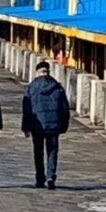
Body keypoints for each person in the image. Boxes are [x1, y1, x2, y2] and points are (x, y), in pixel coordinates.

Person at [22, 60, 70, 189]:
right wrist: (64, 125)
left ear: (37, 73)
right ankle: (51, 176)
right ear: (48, 72)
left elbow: (27, 109)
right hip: (54, 126)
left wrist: (25, 127)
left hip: (37, 126)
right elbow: (65, 108)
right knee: (52, 151)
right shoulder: (57, 87)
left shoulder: (32, 87)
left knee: (38, 152)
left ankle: (39, 178)